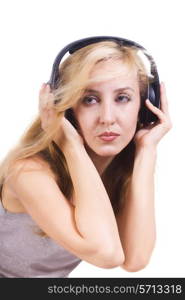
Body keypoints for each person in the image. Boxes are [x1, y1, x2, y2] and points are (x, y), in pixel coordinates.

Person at [0, 37, 172, 278]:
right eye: (89, 99)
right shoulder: (28, 172)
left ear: (145, 106)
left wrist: (147, 149)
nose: (107, 117)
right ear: (66, 108)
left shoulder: (115, 174)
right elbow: (107, 254)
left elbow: (135, 259)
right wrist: (71, 145)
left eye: (122, 98)